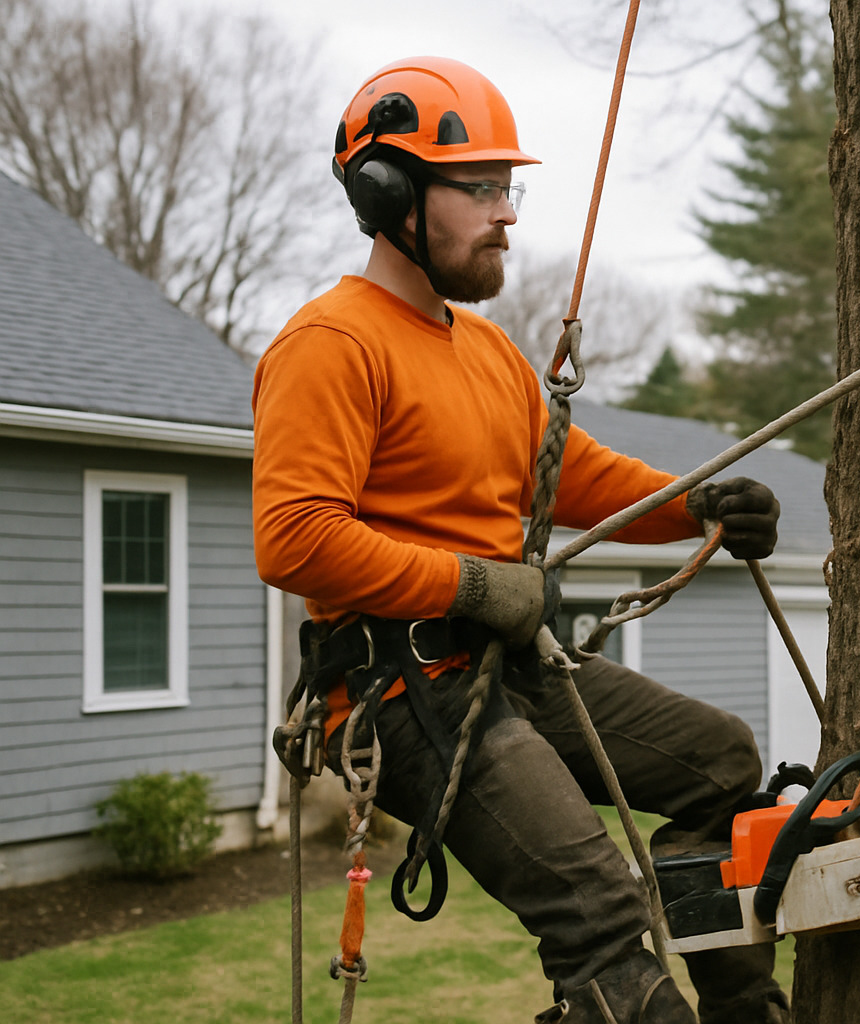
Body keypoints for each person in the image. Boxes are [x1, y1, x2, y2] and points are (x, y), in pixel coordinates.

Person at [252, 57, 788, 1024]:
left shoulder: (488, 351)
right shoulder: (332, 344)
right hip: (405, 690)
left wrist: (698, 504)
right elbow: (293, 539)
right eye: (482, 188)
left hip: (510, 665)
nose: (507, 212)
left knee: (723, 767)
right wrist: (471, 586)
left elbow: (572, 476)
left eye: (511, 188)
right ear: (390, 191)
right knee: (596, 910)